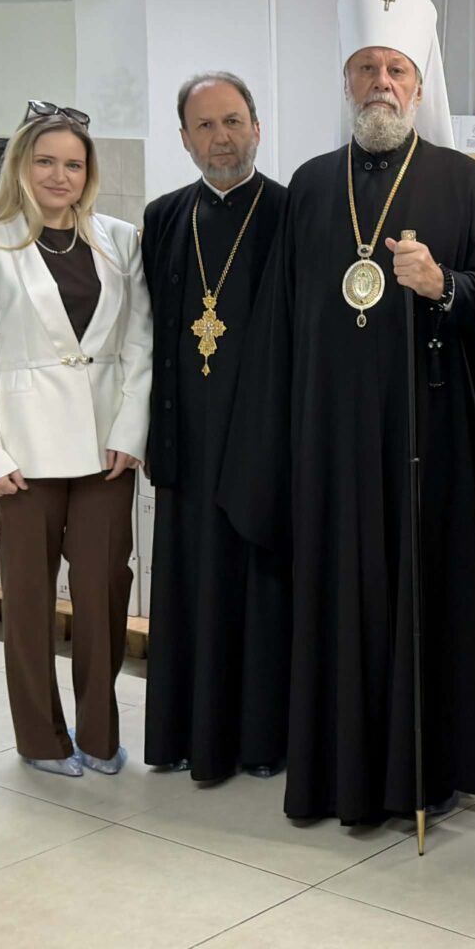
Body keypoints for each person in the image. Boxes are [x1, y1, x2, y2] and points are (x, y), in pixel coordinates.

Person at [225, 0, 475, 826]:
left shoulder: (463, 182)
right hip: (326, 437)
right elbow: (279, 320)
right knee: (335, 598)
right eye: (366, 69)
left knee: (423, 596)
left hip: (427, 433)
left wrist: (447, 285)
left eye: (396, 70)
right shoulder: (313, 185)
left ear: (419, 87)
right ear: (346, 82)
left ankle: (425, 773)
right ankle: (335, 770)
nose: (380, 84)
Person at [0, 105, 152, 778]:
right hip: (23, 452)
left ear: (89, 173)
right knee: (30, 599)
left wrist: (131, 430)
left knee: (103, 591)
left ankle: (99, 732)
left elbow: (141, 344)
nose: (59, 175)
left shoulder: (121, 240)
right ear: (21, 167)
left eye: (73, 164)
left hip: (105, 450)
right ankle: (40, 738)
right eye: (45, 162)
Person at [141, 72, 290, 784]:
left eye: (233, 121)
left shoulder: (292, 213)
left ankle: (259, 741)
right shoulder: (164, 217)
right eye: (204, 125)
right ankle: (184, 735)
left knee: (258, 589)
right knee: (189, 585)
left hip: (265, 441)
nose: (221, 138)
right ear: (184, 138)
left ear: (257, 128)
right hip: (186, 440)